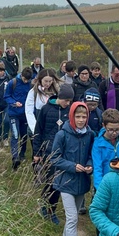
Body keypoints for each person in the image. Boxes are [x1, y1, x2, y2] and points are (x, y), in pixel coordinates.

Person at [51, 102, 94, 236]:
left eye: (84, 116)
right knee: (72, 218)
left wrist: (89, 165)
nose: (81, 120)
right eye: (78, 116)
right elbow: (54, 158)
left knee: (73, 216)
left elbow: (92, 154)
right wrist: (72, 166)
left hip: (82, 182)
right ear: (71, 117)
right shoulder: (62, 134)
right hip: (66, 182)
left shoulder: (90, 134)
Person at [33, 84, 74, 225]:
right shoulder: (46, 109)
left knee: (59, 183)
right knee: (50, 181)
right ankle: (45, 206)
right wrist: (36, 152)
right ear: (60, 97)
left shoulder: (70, 111)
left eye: (70, 101)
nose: (67, 104)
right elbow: (38, 131)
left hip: (64, 154)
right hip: (48, 152)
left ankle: (52, 210)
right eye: (66, 100)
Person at [4, 67, 32, 169]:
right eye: (25, 79)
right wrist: (14, 103)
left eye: (27, 80)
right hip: (14, 113)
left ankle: (22, 153)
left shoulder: (31, 84)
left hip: (25, 115)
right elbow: (6, 96)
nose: (26, 81)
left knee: (24, 135)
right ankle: (15, 157)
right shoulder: (13, 82)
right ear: (22, 75)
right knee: (15, 134)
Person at [25, 68, 60, 138]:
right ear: (40, 79)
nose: (48, 84)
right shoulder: (33, 92)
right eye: (45, 81)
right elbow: (29, 111)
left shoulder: (56, 91)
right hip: (38, 123)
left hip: (52, 125)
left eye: (50, 81)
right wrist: (35, 129)